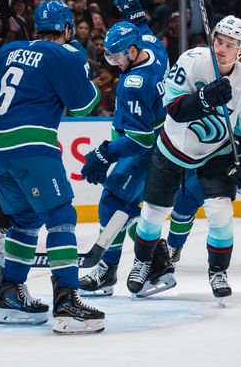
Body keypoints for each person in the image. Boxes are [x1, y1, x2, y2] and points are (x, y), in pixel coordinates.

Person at [0, 0, 104, 334]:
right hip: (31, 147)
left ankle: (10, 296)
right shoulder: (66, 54)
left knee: (26, 219)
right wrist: (79, 61)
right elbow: (84, 104)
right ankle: (67, 302)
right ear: (68, 30)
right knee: (61, 217)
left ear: (35, 29)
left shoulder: (9, 50)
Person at [126, 16, 241, 303]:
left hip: (216, 153)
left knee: (220, 212)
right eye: (218, 41)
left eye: (230, 44)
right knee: (153, 212)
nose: (221, 48)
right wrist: (204, 98)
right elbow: (173, 109)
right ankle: (143, 261)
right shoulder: (191, 61)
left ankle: (218, 271)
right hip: (172, 147)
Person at [78, 20, 167, 296]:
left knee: (113, 203)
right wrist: (136, 14)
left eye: (117, 55)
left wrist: (105, 153)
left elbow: (141, 140)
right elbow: (147, 32)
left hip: (145, 152)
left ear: (131, 51)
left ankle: (118, 268)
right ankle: (156, 263)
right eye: (109, 55)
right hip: (163, 144)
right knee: (127, 211)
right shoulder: (155, 49)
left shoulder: (133, 83)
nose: (113, 61)